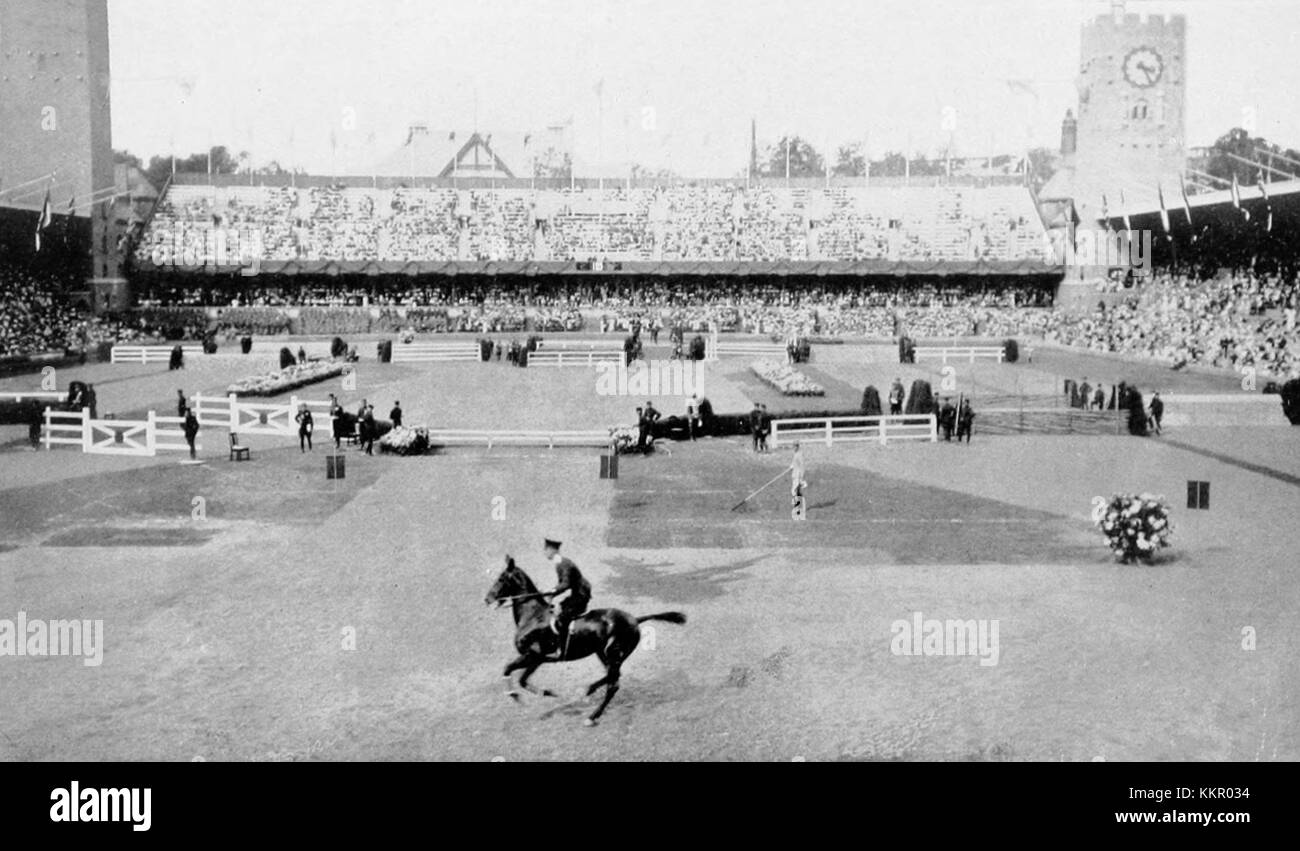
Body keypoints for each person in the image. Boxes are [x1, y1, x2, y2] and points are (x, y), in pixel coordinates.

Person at [541, 538, 591, 660]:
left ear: (552, 550)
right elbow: (562, 584)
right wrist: (550, 593)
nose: (544, 552)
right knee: (556, 610)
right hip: (577, 594)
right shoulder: (560, 562)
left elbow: (565, 583)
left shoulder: (562, 563)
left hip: (580, 595)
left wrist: (552, 592)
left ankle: (561, 651)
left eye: (546, 550)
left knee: (562, 617)